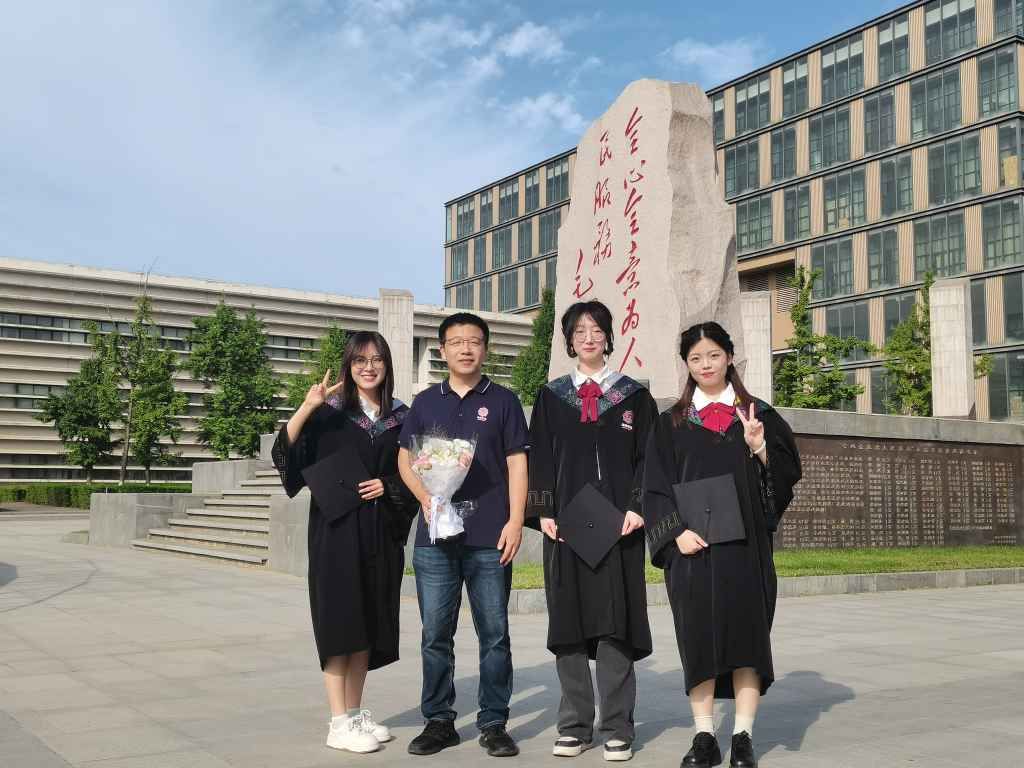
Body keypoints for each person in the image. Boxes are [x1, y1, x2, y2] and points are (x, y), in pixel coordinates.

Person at [642, 322, 802, 768]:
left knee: (749, 638)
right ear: (687, 365)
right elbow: (653, 488)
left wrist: (760, 448)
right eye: (696, 358)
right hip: (692, 551)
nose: (706, 365)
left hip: (745, 549)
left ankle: (744, 736)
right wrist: (675, 532)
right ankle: (704, 736)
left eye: (714, 355)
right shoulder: (670, 423)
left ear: (729, 357)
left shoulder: (757, 415)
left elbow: (786, 476)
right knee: (698, 640)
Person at [272, 331, 416, 754]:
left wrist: (388, 485)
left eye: (376, 360)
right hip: (335, 534)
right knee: (340, 624)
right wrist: (307, 406)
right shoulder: (329, 413)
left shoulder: (401, 417)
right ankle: (338, 723)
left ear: (387, 365)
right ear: (348, 366)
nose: (368, 367)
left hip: (380, 532)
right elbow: (286, 459)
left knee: (367, 625)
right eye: (359, 360)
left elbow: (414, 474)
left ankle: (354, 713)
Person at [526, 300, 657, 762]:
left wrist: (638, 506)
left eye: (596, 329)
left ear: (608, 337)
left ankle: (618, 726)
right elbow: (538, 458)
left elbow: (650, 459)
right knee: (569, 623)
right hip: (565, 528)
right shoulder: (551, 398)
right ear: (569, 340)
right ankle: (575, 726)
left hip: (619, 528)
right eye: (579, 330)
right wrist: (542, 512)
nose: (588, 338)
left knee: (615, 623)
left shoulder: (633, 397)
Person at [398, 312, 529, 758]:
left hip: (490, 536)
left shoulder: (504, 401)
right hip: (435, 539)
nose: (466, 349)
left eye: (474, 341)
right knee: (435, 633)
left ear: (485, 349)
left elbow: (517, 463)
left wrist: (515, 520)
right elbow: (405, 460)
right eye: (456, 342)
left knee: (494, 633)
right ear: (443, 350)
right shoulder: (424, 402)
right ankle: (439, 720)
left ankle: (494, 722)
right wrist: (426, 498)